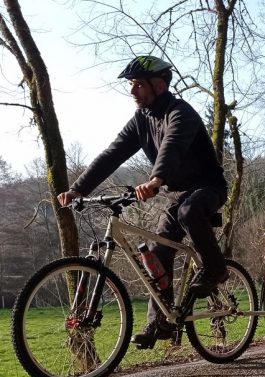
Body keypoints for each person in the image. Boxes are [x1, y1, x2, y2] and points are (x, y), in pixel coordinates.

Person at [58, 55, 229, 349]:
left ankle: (215, 268)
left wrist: (155, 180)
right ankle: (161, 323)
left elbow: (172, 146)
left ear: (159, 85)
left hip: (208, 187)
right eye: (131, 85)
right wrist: (78, 189)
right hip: (176, 194)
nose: (132, 91)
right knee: (156, 252)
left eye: (137, 84)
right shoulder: (142, 119)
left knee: (189, 211)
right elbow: (113, 154)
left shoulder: (181, 113)